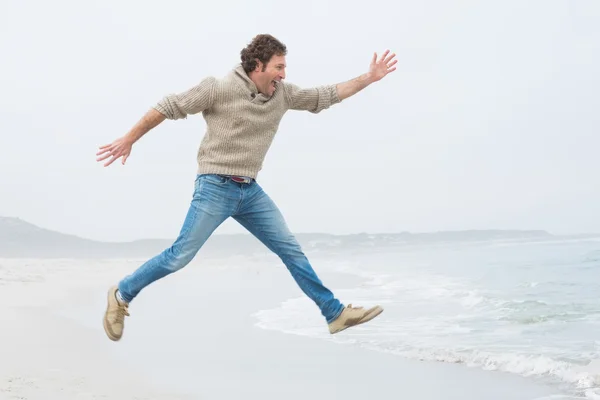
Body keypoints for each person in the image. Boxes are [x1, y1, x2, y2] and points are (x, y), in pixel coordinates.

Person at [97, 34, 397, 342]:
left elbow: (326, 95)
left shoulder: (282, 95)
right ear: (258, 66)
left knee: (290, 249)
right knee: (180, 256)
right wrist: (129, 138)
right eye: (279, 67)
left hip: (250, 192)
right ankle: (122, 294)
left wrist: (369, 78)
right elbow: (168, 105)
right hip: (214, 186)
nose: (283, 74)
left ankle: (334, 314)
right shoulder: (218, 88)